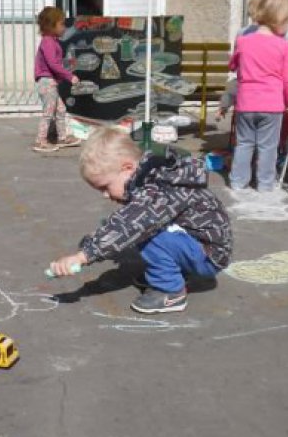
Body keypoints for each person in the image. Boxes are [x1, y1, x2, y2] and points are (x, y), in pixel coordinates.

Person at [49, 128, 232, 314]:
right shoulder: (154, 178)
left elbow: (127, 225)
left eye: (105, 186)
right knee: (142, 228)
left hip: (208, 256)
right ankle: (170, 272)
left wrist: (83, 256)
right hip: (200, 245)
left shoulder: (157, 191)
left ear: (127, 168)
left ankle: (170, 290)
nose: (105, 195)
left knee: (144, 231)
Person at [226, 0, 288, 192]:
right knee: (267, 147)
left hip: (246, 103)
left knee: (244, 144)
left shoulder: (243, 40)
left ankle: (238, 182)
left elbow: (232, 66)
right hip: (272, 105)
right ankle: (265, 184)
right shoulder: (284, 46)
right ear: (277, 19)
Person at [32, 6, 81, 153]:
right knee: (49, 112)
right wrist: (69, 76)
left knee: (60, 109)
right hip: (47, 82)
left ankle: (62, 137)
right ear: (50, 25)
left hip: (50, 82)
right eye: (61, 24)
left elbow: (55, 63)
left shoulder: (52, 41)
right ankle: (40, 141)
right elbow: (53, 64)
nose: (64, 27)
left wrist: (66, 67)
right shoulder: (48, 42)